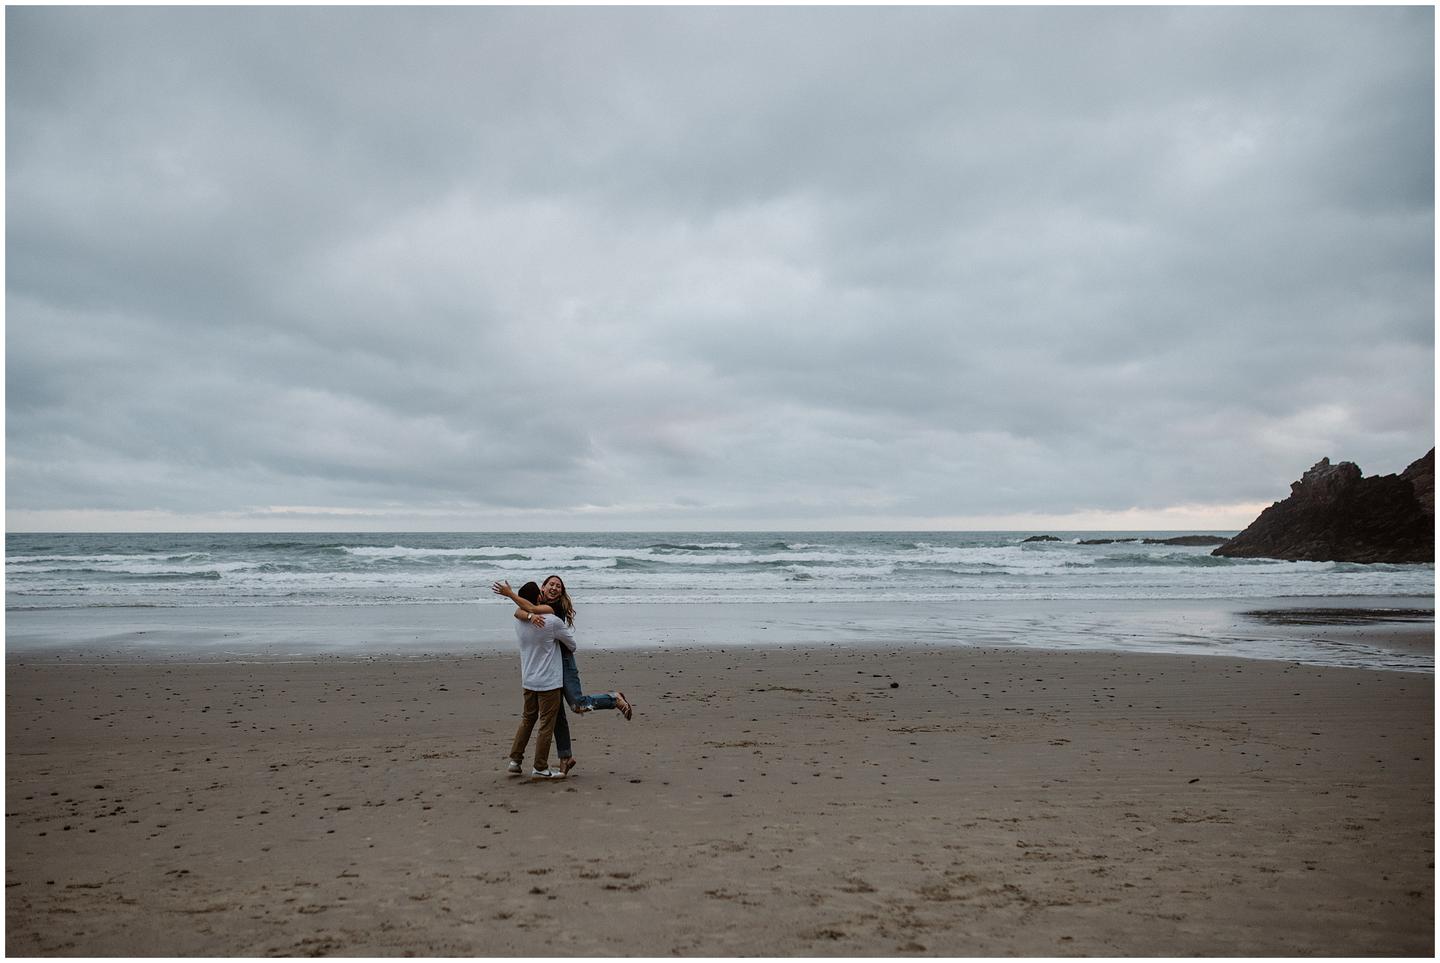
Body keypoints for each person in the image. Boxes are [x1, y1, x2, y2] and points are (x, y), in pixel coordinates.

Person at [493, 575, 632, 721]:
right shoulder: (538, 604)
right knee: (556, 714)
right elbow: (518, 612)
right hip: (549, 661)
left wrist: (510, 594)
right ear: (543, 588)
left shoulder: (554, 608)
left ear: (561, 592)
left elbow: (531, 608)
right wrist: (530, 616)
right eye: (551, 584)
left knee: (577, 704)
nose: (554, 588)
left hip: (564, 659)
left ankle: (614, 699)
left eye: (558, 586)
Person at [502, 580, 575, 779]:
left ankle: (515, 761)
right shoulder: (552, 621)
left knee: (527, 720)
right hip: (548, 682)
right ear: (538, 597)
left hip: (528, 679)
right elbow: (572, 645)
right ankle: (540, 767)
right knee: (546, 724)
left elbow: (520, 611)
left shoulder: (519, 619)